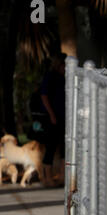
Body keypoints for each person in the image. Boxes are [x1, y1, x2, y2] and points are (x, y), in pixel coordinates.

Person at [40, 53, 66, 187]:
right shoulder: (50, 77)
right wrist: (51, 114)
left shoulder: (65, 78)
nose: (65, 68)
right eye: (63, 65)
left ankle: (63, 176)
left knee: (64, 147)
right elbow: (44, 96)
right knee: (50, 147)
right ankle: (47, 177)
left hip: (63, 117)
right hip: (52, 117)